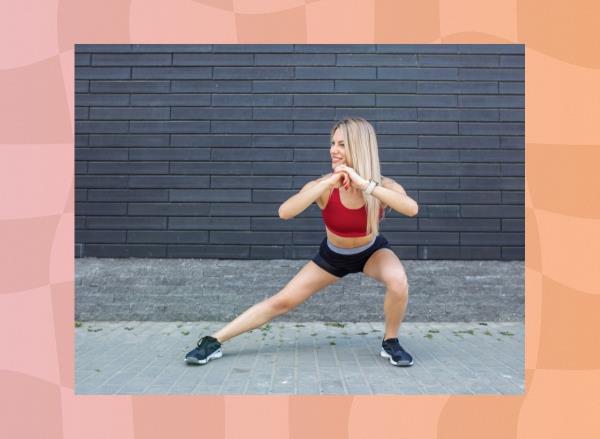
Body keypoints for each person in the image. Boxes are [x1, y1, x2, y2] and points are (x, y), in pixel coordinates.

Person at [185, 117, 419, 367]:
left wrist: (365, 185)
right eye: (332, 143)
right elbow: (285, 212)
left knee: (398, 281)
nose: (333, 150)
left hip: (371, 252)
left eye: (341, 144)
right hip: (333, 255)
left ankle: (390, 342)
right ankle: (213, 341)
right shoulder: (324, 187)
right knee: (282, 301)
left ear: (360, 147)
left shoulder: (382, 186)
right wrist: (328, 182)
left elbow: (412, 209)